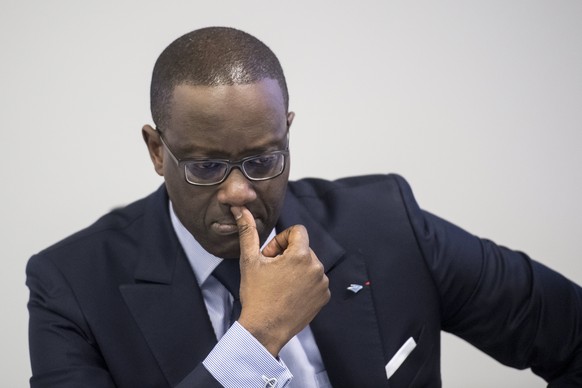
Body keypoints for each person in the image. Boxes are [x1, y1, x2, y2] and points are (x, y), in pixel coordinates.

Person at [26, 26, 582, 388]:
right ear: (156, 150)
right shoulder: (71, 285)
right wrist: (256, 338)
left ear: (287, 133)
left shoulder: (387, 223)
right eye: (205, 167)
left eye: (263, 160)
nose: (240, 192)